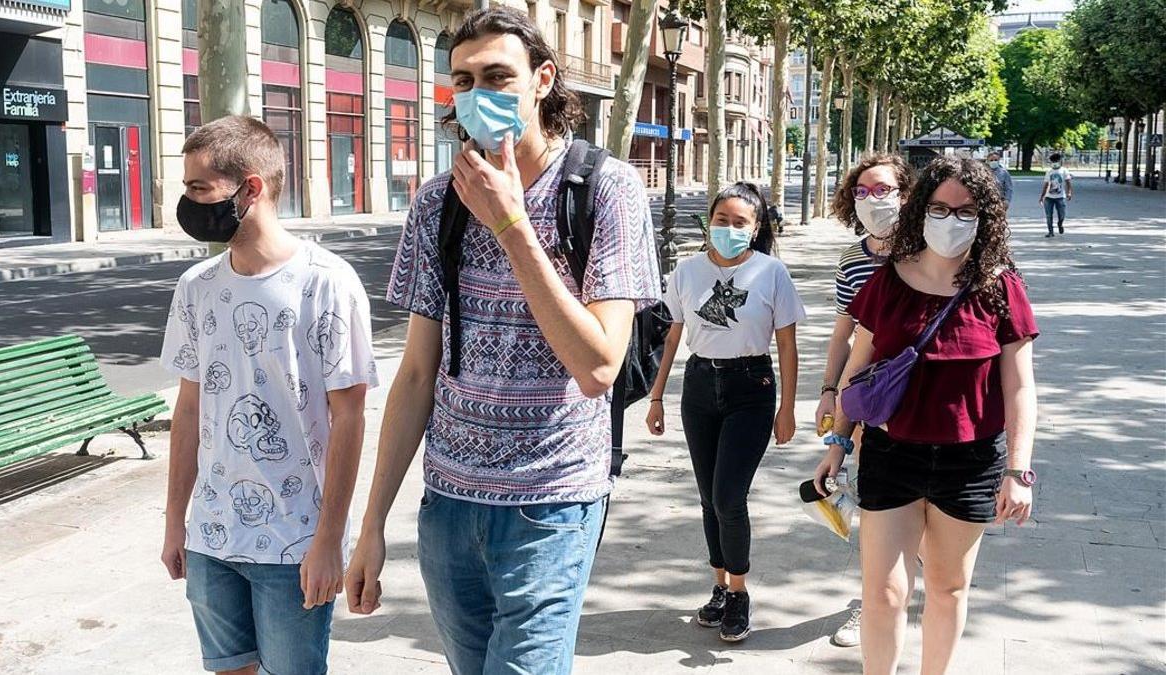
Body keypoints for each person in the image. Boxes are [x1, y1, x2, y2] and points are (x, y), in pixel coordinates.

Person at [342, 7, 659, 674]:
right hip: (449, 506)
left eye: (496, 76)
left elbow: (599, 366)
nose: (477, 95)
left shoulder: (606, 190)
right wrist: (371, 525)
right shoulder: (437, 202)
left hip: (552, 502)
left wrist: (513, 225)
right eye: (462, 80)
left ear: (542, 79)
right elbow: (417, 376)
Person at [159, 115, 379, 675]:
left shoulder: (326, 281)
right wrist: (175, 522)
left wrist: (331, 536)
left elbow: (349, 416)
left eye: (198, 188)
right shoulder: (196, 287)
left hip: (295, 540)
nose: (187, 202)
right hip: (213, 535)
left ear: (250, 188)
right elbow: (189, 410)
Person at [813, 156, 1039, 675]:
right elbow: (858, 370)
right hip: (891, 455)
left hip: (972, 462)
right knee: (884, 591)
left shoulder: (1003, 289)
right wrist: (838, 446)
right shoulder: (887, 281)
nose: (951, 220)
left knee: (948, 587)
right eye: (939, 208)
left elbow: (1021, 386)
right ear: (920, 210)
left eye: (965, 211)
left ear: (987, 217)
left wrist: (1018, 471)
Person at [646, 182, 805, 642]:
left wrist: (789, 408)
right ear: (708, 223)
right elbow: (672, 336)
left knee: (728, 498)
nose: (729, 229)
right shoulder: (687, 272)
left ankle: (739, 593)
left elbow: (787, 345)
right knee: (707, 497)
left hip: (750, 389)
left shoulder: (771, 272)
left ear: (756, 230)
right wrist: (656, 397)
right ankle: (719, 586)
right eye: (722, 220)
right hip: (699, 387)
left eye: (740, 223)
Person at [816, 153, 914, 648]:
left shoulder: (926, 252)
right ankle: (871, 599)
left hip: (921, 399)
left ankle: (906, 585)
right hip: (870, 397)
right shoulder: (853, 260)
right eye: (862, 191)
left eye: (883, 190)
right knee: (874, 503)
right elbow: (842, 335)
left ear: (905, 194)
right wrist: (829, 392)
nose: (872, 199)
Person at [1039, 151, 1073, 237]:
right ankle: (1051, 232)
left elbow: (1068, 182)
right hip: (1049, 197)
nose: (1054, 163)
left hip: (1060, 197)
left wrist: (1069, 192)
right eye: (1052, 162)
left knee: (1062, 214)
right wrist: (1042, 196)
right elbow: (1046, 184)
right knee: (1048, 215)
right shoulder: (1049, 172)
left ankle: (1060, 223)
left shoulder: (1064, 171)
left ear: (1059, 161)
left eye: (1056, 161)